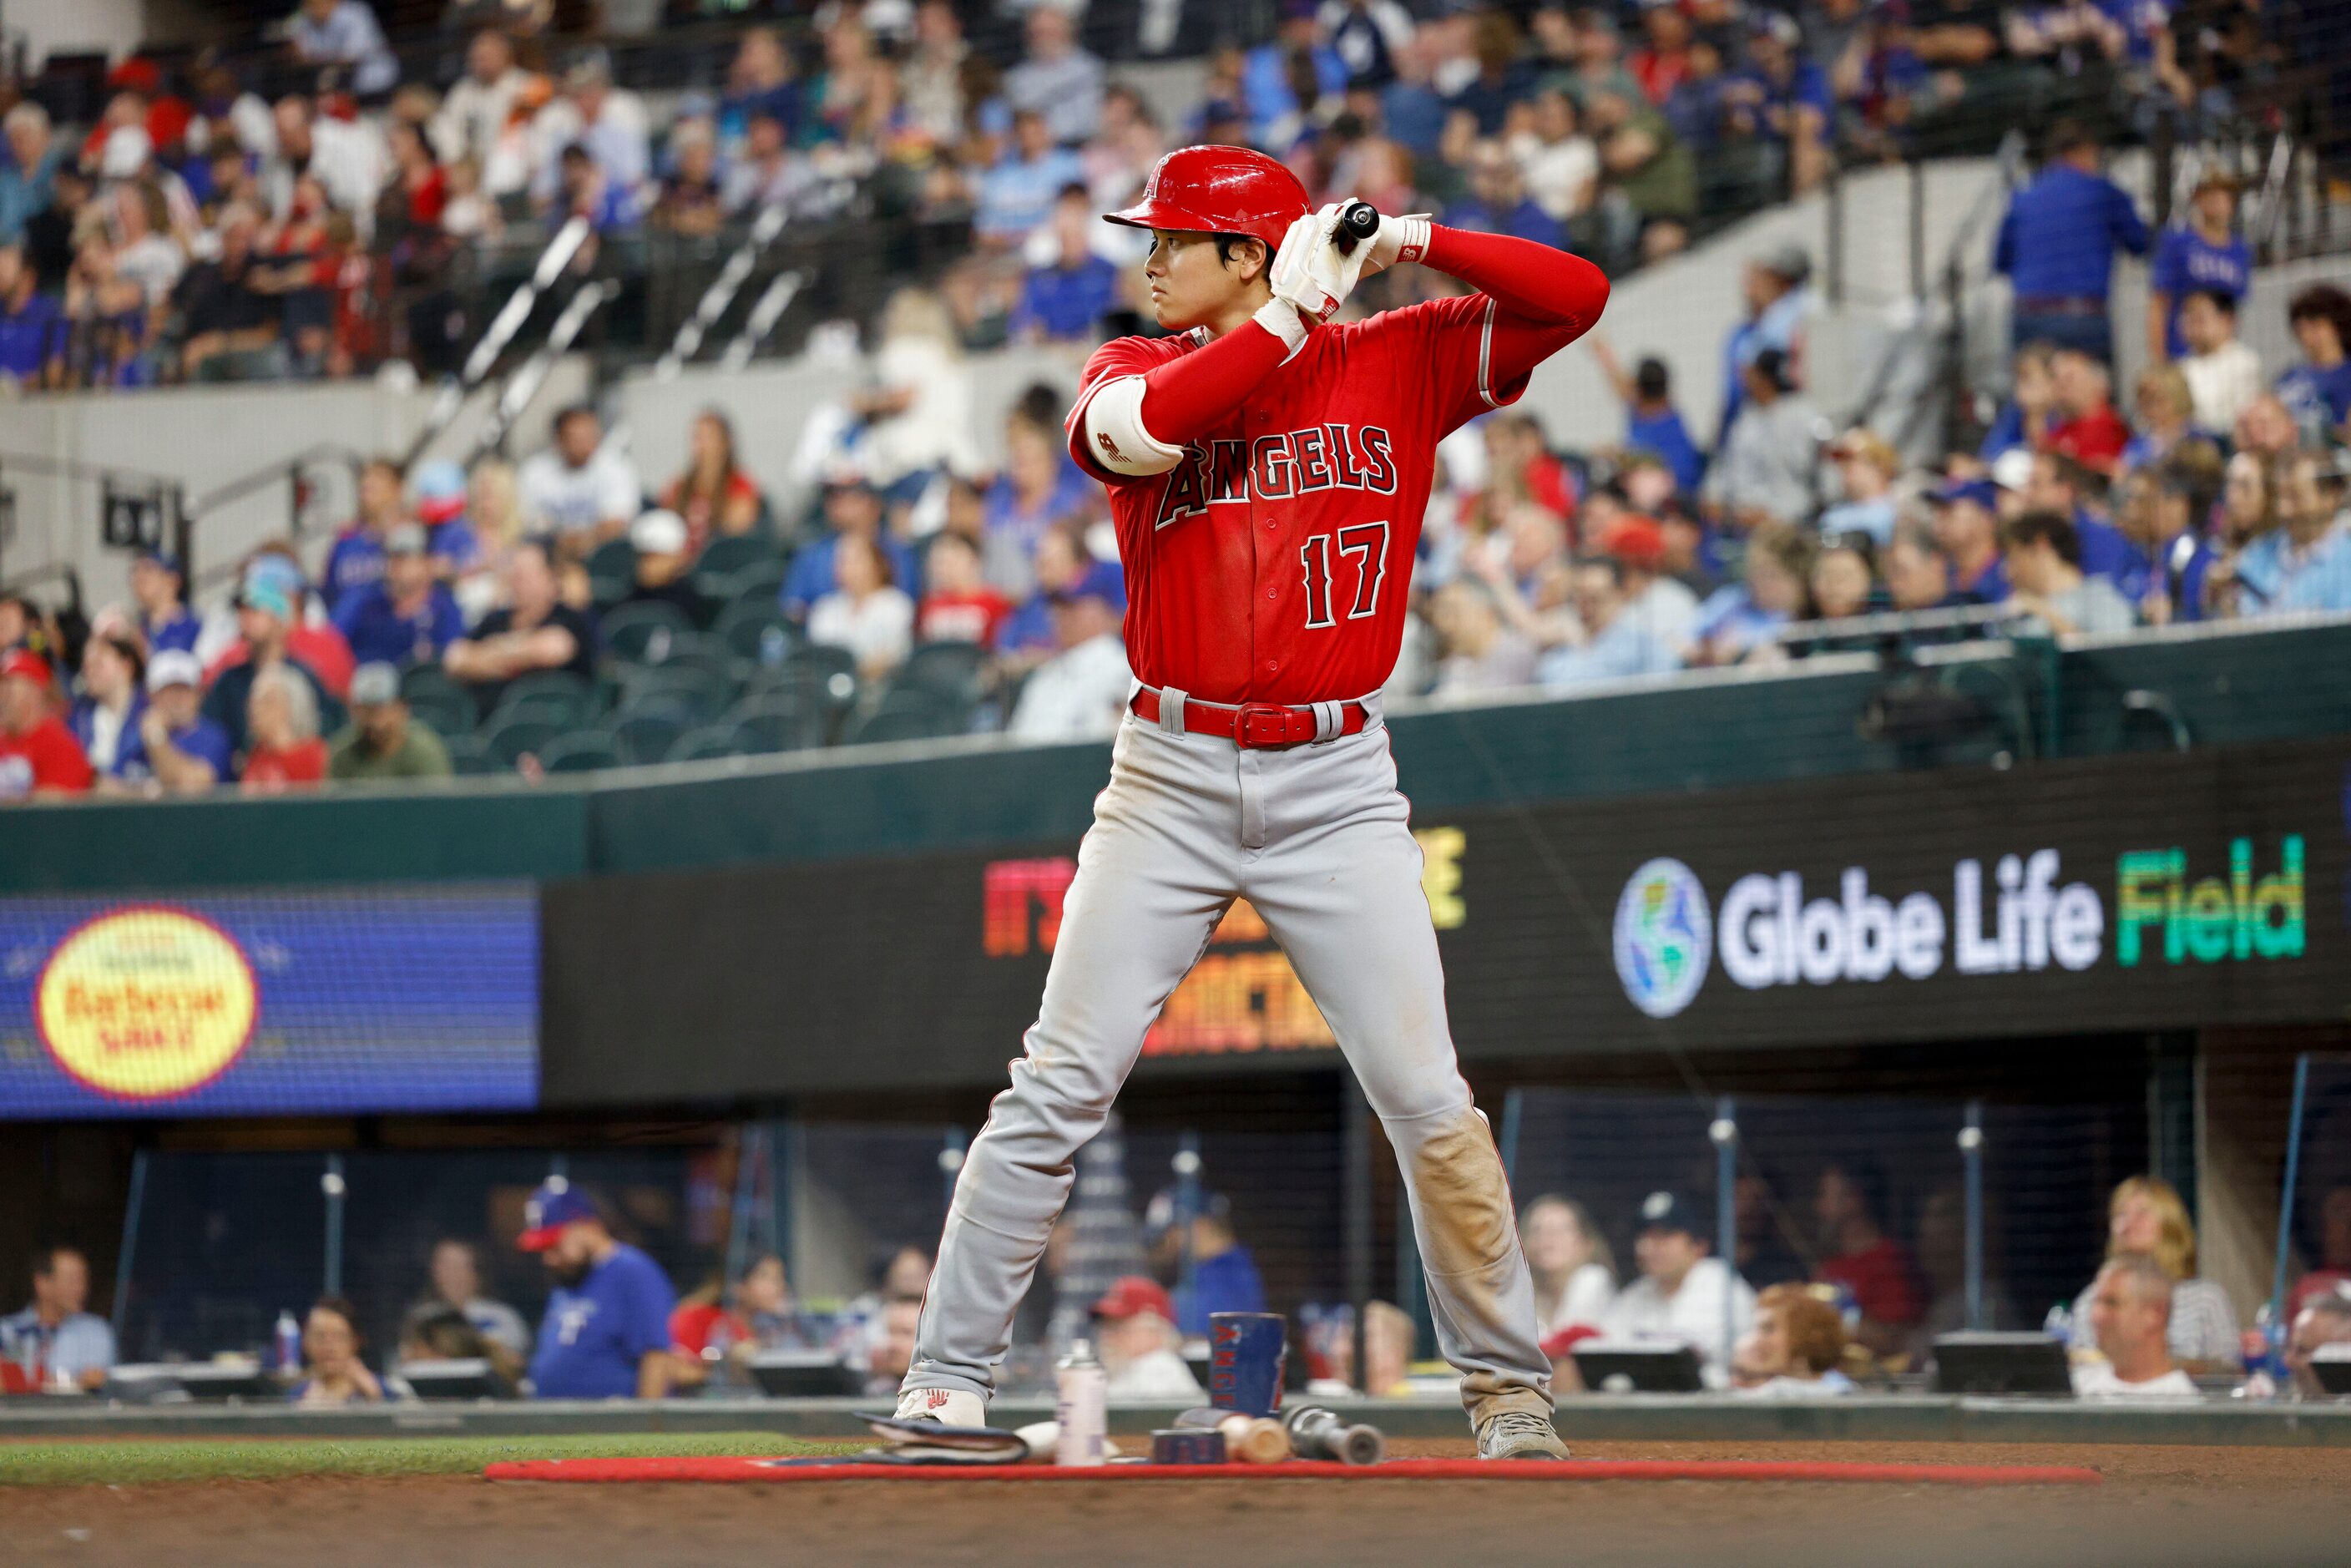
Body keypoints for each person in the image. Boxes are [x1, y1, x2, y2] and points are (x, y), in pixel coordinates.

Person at [893, 145, 1607, 1461]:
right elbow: (1138, 436)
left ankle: (1510, 1392)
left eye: (1175, 240)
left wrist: (1402, 239)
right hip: (1168, 771)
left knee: (1429, 1097)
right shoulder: (1132, 366)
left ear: (1246, 250)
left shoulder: (1392, 354)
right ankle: (944, 1381)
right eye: (1148, 239)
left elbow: (1577, 295)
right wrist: (1287, 312)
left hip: (1337, 777)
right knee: (1057, 1083)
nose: (1148, 259)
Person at [1993, 120, 2148, 362]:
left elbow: (2001, 262)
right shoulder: (2103, 192)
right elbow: (2140, 243)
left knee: (2035, 395)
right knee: (2089, 396)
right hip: (2083, 316)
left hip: (2029, 315)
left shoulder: (2023, 197)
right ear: (2084, 151)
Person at [518, 1178, 680, 1399]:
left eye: (554, 1245)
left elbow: (656, 1357)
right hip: (557, 1424)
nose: (548, 1258)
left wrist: (646, 1426)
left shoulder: (632, 1271)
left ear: (587, 1227)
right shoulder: (570, 1277)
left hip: (611, 1425)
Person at [2067, 1176, 2240, 1370]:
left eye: (2142, 1214)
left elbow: (2229, 1374)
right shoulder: (2093, 1300)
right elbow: (2079, 1371)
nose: (2128, 1224)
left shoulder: (2206, 1300)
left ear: (2169, 1224)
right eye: (2121, 1215)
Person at [1597, 1190, 1757, 1378]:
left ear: (1699, 1245)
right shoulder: (1636, 1294)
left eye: (1663, 1236)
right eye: (1644, 1236)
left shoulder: (1722, 1287)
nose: (1648, 1247)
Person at [443, 541, 597, 714]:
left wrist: (486, 654)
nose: (518, 582)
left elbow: (552, 648)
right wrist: (516, 657)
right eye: (514, 575)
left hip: (553, 720)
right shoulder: (495, 620)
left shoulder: (569, 617)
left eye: (527, 575)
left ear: (551, 578)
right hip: (491, 720)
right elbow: (455, 657)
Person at [1007, 561, 1131, 743]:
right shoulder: (1045, 675)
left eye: (1071, 608)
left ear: (1102, 611)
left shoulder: (1118, 667)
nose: (1060, 618)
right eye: (1058, 610)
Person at [1701, 348, 1825, 531]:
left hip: (1789, 523)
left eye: (1752, 373)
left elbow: (1814, 482)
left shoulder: (1804, 415)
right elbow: (1726, 466)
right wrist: (1713, 495)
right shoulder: (1746, 416)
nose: (1746, 379)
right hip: (1740, 519)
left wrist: (1775, 514)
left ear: (1766, 378)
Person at [1811, 1161, 1922, 1356]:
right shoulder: (1830, 1266)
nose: (1819, 1206)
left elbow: (1896, 1341)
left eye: (1825, 1195)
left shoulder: (1891, 1262)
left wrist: (1843, 1313)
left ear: (1854, 1198)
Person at [2147, 172, 2249, 365]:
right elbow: (2159, 304)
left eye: (2221, 194)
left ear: (2232, 202)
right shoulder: (2177, 243)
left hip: (2222, 358)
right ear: (2197, 200)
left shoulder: (2240, 251)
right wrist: (2159, 361)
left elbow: (2235, 311)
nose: (2214, 200)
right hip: (2181, 354)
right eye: (2207, 193)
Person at [1537, 554, 1678, 689]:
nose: (1586, 606)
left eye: (1596, 598)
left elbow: (1663, 695)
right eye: (1580, 597)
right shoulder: (1558, 652)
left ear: (1620, 593)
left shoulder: (1642, 646)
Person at [333, 524, 464, 670]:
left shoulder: (445, 609)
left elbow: (454, 658)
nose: (395, 565)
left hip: (419, 688)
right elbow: (332, 640)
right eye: (391, 557)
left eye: (404, 558)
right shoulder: (366, 601)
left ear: (428, 563)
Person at [1143, 1186, 1267, 1340]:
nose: (1167, 1246)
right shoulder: (1204, 1274)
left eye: (1171, 1235)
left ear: (1199, 1227)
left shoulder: (1226, 1278)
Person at [2072, 1256, 2200, 1399]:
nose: (2097, 1316)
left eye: (2112, 1303)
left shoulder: (2184, 1406)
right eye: (2096, 1303)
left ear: (2155, 1313)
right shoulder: (2075, 1390)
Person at [517, 404, 642, 551]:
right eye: (577, 438)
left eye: (590, 436)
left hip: (602, 550)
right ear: (559, 440)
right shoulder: (534, 471)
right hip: (550, 551)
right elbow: (527, 522)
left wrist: (580, 541)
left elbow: (616, 522)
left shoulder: (616, 466)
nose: (586, 444)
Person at [1590, 336, 1703, 497]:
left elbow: (1654, 463)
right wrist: (1604, 354)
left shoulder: (1668, 426)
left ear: (1639, 389)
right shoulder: (1644, 409)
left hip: (1672, 499)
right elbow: (1622, 386)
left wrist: (1615, 454)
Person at [401, 1237, 531, 1374]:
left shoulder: (503, 1317)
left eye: (459, 1266)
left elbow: (515, 1363)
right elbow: (406, 1363)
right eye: (444, 1266)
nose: (451, 1274)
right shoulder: (421, 1318)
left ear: (477, 1272)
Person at [1013, 185, 1122, 344]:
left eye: (1076, 236)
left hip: (1098, 346)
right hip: (1053, 350)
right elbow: (1028, 321)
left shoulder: (1107, 271)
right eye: (1066, 238)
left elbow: (1118, 313)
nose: (1071, 245)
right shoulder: (1041, 277)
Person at [806, 534, 914, 685]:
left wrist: (854, 673)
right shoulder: (824, 609)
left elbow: (891, 657)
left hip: (882, 688)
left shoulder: (897, 605)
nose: (848, 567)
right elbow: (819, 659)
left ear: (877, 563)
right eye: (842, 561)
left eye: (856, 560)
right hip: (830, 690)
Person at [1, 1247, 114, 1390]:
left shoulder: (95, 1330)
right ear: (42, 1284)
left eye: (83, 1280)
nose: (80, 1289)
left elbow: (98, 1379)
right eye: (71, 1281)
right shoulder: (7, 1331)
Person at [329, 661, 453, 781]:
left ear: (402, 708)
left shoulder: (424, 751)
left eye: (378, 710)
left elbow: (437, 800)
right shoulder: (342, 750)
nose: (371, 721)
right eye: (362, 710)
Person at [660, 409, 763, 553]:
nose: (702, 445)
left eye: (709, 437)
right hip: (680, 562)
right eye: (697, 437)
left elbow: (735, 533)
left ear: (726, 441)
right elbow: (664, 527)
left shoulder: (740, 484)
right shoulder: (679, 486)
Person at [1090, 1275, 1206, 1401]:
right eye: (1105, 1327)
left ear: (1154, 1331)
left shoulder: (1159, 1367)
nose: (1107, 1337)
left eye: (1118, 1327)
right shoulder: (1124, 1370)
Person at [322, 457, 412, 617]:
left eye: (379, 476)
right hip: (347, 632)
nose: (368, 482)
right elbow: (328, 591)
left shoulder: (411, 538)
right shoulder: (346, 540)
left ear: (397, 488)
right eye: (366, 476)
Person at [1731, 1282, 1853, 1397]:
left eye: (1769, 1329)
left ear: (1811, 1336)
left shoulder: (1839, 1394)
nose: (1757, 1340)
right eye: (1756, 1329)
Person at [0, 650, 94, 800]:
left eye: (9, 689)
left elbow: (59, 808)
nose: (2, 697)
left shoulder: (59, 745)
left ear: (34, 692)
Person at [136, 651, 233, 794]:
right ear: (152, 696)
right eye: (169, 691)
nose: (178, 699)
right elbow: (111, 785)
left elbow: (191, 784)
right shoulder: (136, 735)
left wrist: (156, 738)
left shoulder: (212, 737)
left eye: (184, 690)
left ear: (198, 695)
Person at [1520, 1195, 1615, 1340]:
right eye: (1537, 1230)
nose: (1546, 1238)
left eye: (1559, 1230)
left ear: (1585, 1243)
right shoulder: (1526, 1291)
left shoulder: (1592, 1279)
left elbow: (1565, 1350)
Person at [2175, 289, 2263, 438]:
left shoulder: (2244, 361)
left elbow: (2238, 420)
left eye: (2200, 317)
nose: (2192, 324)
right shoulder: (2180, 367)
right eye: (2188, 317)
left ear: (2227, 320)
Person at [1427, 578, 1538, 695]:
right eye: (1440, 616)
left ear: (1486, 612)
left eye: (1455, 614)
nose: (1445, 626)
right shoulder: (1457, 663)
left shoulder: (1515, 652)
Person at [68, 632, 149, 787]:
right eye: (86, 666)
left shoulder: (150, 712)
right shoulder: (77, 716)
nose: (89, 672)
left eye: (98, 664)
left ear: (126, 665)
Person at [2275, 284, 2351, 447]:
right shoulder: (2289, 377)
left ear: (2337, 326)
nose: (2305, 333)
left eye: (2315, 324)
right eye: (2300, 326)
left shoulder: (2346, 375)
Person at [240, 664, 331, 792]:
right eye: (252, 702)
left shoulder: (312, 756)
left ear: (288, 706)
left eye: (266, 701)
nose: (254, 709)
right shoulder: (257, 753)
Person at [290, 1296, 392, 1406]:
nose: (329, 1347)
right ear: (305, 1342)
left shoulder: (383, 1388)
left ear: (355, 1341)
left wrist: (375, 1396)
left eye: (339, 1337)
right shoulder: (295, 1396)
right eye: (320, 1336)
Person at [619, 510, 707, 625]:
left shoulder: (692, 603)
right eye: (643, 557)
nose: (648, 566)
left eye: (657, 557)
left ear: (678, 557)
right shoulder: (628, 600)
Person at [1929, 478, 2008, 605]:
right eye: (1938, 514)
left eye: (1949, 511)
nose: (1939, 524)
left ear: (1986, 519)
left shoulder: (2010, 573)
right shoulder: (1939, 575)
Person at [1818, 429, 1901, 545]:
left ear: (1878, 464)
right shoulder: (1830, 517)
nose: (1841, 465)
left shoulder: (1901, 513)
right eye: (1839, 458)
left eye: (1848, 457)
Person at [129, 549, 200, 655]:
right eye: (136, 570)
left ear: (173, 580)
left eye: (148, 569)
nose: (139, 576)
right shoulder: (136, 630)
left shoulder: (195, 627)